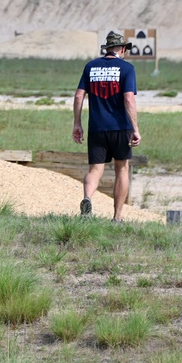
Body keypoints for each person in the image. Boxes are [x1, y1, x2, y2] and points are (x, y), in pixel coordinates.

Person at [72, 31, 142, 222]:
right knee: (122, 169)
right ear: (121, 49)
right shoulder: (127, 69)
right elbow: (128, 98)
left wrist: (77, 124)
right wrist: (135, 128)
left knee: (95, 170)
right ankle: (117, 217)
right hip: (120, 127)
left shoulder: (90, 66)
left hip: (96, 127)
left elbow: (79, 96)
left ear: (107, 48)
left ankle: (87, 198)